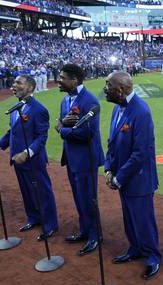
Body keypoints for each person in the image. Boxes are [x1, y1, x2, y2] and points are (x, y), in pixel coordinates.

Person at [0, 75, 59, 241]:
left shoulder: (39, 110)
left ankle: (50, 225)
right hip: (17, 159)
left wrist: (26, 153)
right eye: (14, 83)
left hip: (33, 160)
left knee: (42, 193)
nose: (13, 86)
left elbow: (41, 137)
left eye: (18, 83)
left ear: (30, 88)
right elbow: (12, 132)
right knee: (26, 192)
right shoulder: (15, 107)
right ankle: (34, 218)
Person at [104, 71, 162, 280]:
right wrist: (109, 168)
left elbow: (141, 153)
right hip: (123, 177)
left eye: (108, 85)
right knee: (129, 217)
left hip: (138, 179)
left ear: (120, 90)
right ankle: (135, 248)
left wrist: (119, 178)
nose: (105, 90)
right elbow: (111, 143)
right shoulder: (116, 110)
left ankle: (153, 257)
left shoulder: (141, 111)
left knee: (143, 219)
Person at [55, 63, 104, 256]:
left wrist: (62, 129)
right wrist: (62, 126)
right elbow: (60, 120)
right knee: (78, 198)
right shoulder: (65, 100)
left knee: (88, 199)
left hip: (86, 158)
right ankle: (85, 231)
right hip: (72, 158)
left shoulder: (89, 101)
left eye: (62, 77)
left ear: (74, 80)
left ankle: (95, 235)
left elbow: (87, 133)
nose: (59, 80)